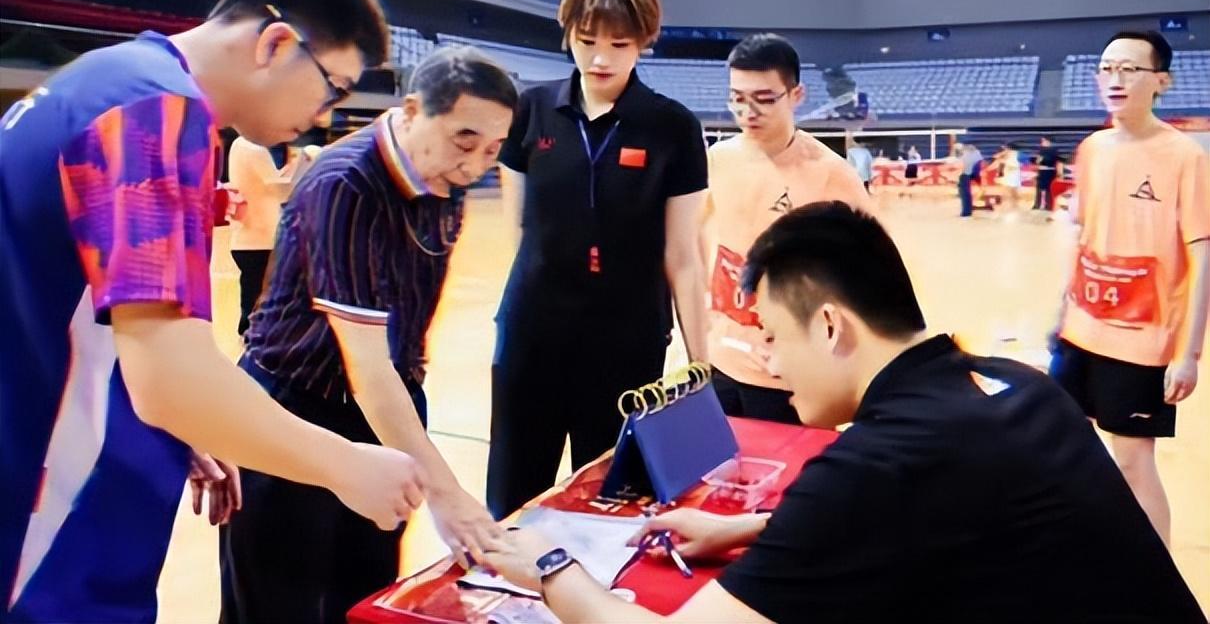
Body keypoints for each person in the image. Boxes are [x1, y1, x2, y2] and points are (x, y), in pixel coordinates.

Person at [483, 202, 1204, 623]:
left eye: (773, 336)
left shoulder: (882, 462)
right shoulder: (1013, 383)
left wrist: (548, 565)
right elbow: (936, 510)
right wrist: (744, 528)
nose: (767, 361)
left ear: (830, 326)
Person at [0, 0, 426, 624]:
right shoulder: (152, 113)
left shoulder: (108, 81)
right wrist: (345, 465)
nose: (324, 116)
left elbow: (80, 315)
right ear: (276, 43)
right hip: (42, 527)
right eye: (332, 88)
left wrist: (191, 421)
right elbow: (169, 378)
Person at [220, 47, 516, 624]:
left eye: (493, 148)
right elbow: (366, 367)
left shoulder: (446, 177)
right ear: (413, 110)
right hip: (294, 409)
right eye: (464, 139)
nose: (475, 164)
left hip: (384, 406)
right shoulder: (346, 184)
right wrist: (447, 494)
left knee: (364, 596)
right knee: (275, 605)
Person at [488, 0, 709, 519]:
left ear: (645, 41)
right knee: (512, 499)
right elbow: (520, 231)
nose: (601, 58)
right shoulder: (531, 110)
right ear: (567, 33)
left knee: (610, 504)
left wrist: (701, 364)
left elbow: (683, 256)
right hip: (532, 337)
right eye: (586, 41)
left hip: (626, 343)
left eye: (620, 43)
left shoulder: (674, 127)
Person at [1050, 30, 1208, 548]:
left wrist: (1189, 354)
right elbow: (1082, 232)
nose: (1114, 79)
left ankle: (1159, 578)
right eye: (1106, 68)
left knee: (1133, 462)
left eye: (1129, 69)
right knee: (1064, 444)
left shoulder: (1185, 156)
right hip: (1080, 329)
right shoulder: (1092, 149)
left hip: (1141, 339)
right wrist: (1060, 309)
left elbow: (1202, 256)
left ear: (1161, 82)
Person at [702, 33, 870, 423]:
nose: (747, 112)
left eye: (764, 99)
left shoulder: (833, 176)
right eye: (737, 98)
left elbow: (871, 274)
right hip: (719, 362)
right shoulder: (717, 159)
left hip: (789, 376)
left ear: (796, 95)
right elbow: (691, 246)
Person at [226, 138, 297, 336]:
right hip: (262, 238)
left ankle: (250, 332)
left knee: (251, 293)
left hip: (245, 237)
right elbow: (279, 191)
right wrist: (301, 169)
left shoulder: (238, 145)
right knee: (262, 295)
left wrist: (289, 170)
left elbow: (265, 184)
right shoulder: (256, 149)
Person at [1032, 136, 1063, 213]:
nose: (1041, 143)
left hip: (1046, 171)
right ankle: (1047, 206)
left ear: (1047, 141)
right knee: (1045, 189)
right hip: (1048, 171)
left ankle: (1039, 205)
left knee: (1044, 188)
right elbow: (1059, 162)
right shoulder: (1055, 151)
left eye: (1043, 141)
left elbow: (1038, 161)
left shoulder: (1043, 151)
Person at [956, 141, 982, 217]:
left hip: (965, 174)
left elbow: (961, 165)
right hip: (973, 173)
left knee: (965, 193)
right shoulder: (977, 153)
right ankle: (968, 210)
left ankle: (966, 212)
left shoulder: (964, 155)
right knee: (966, 193)